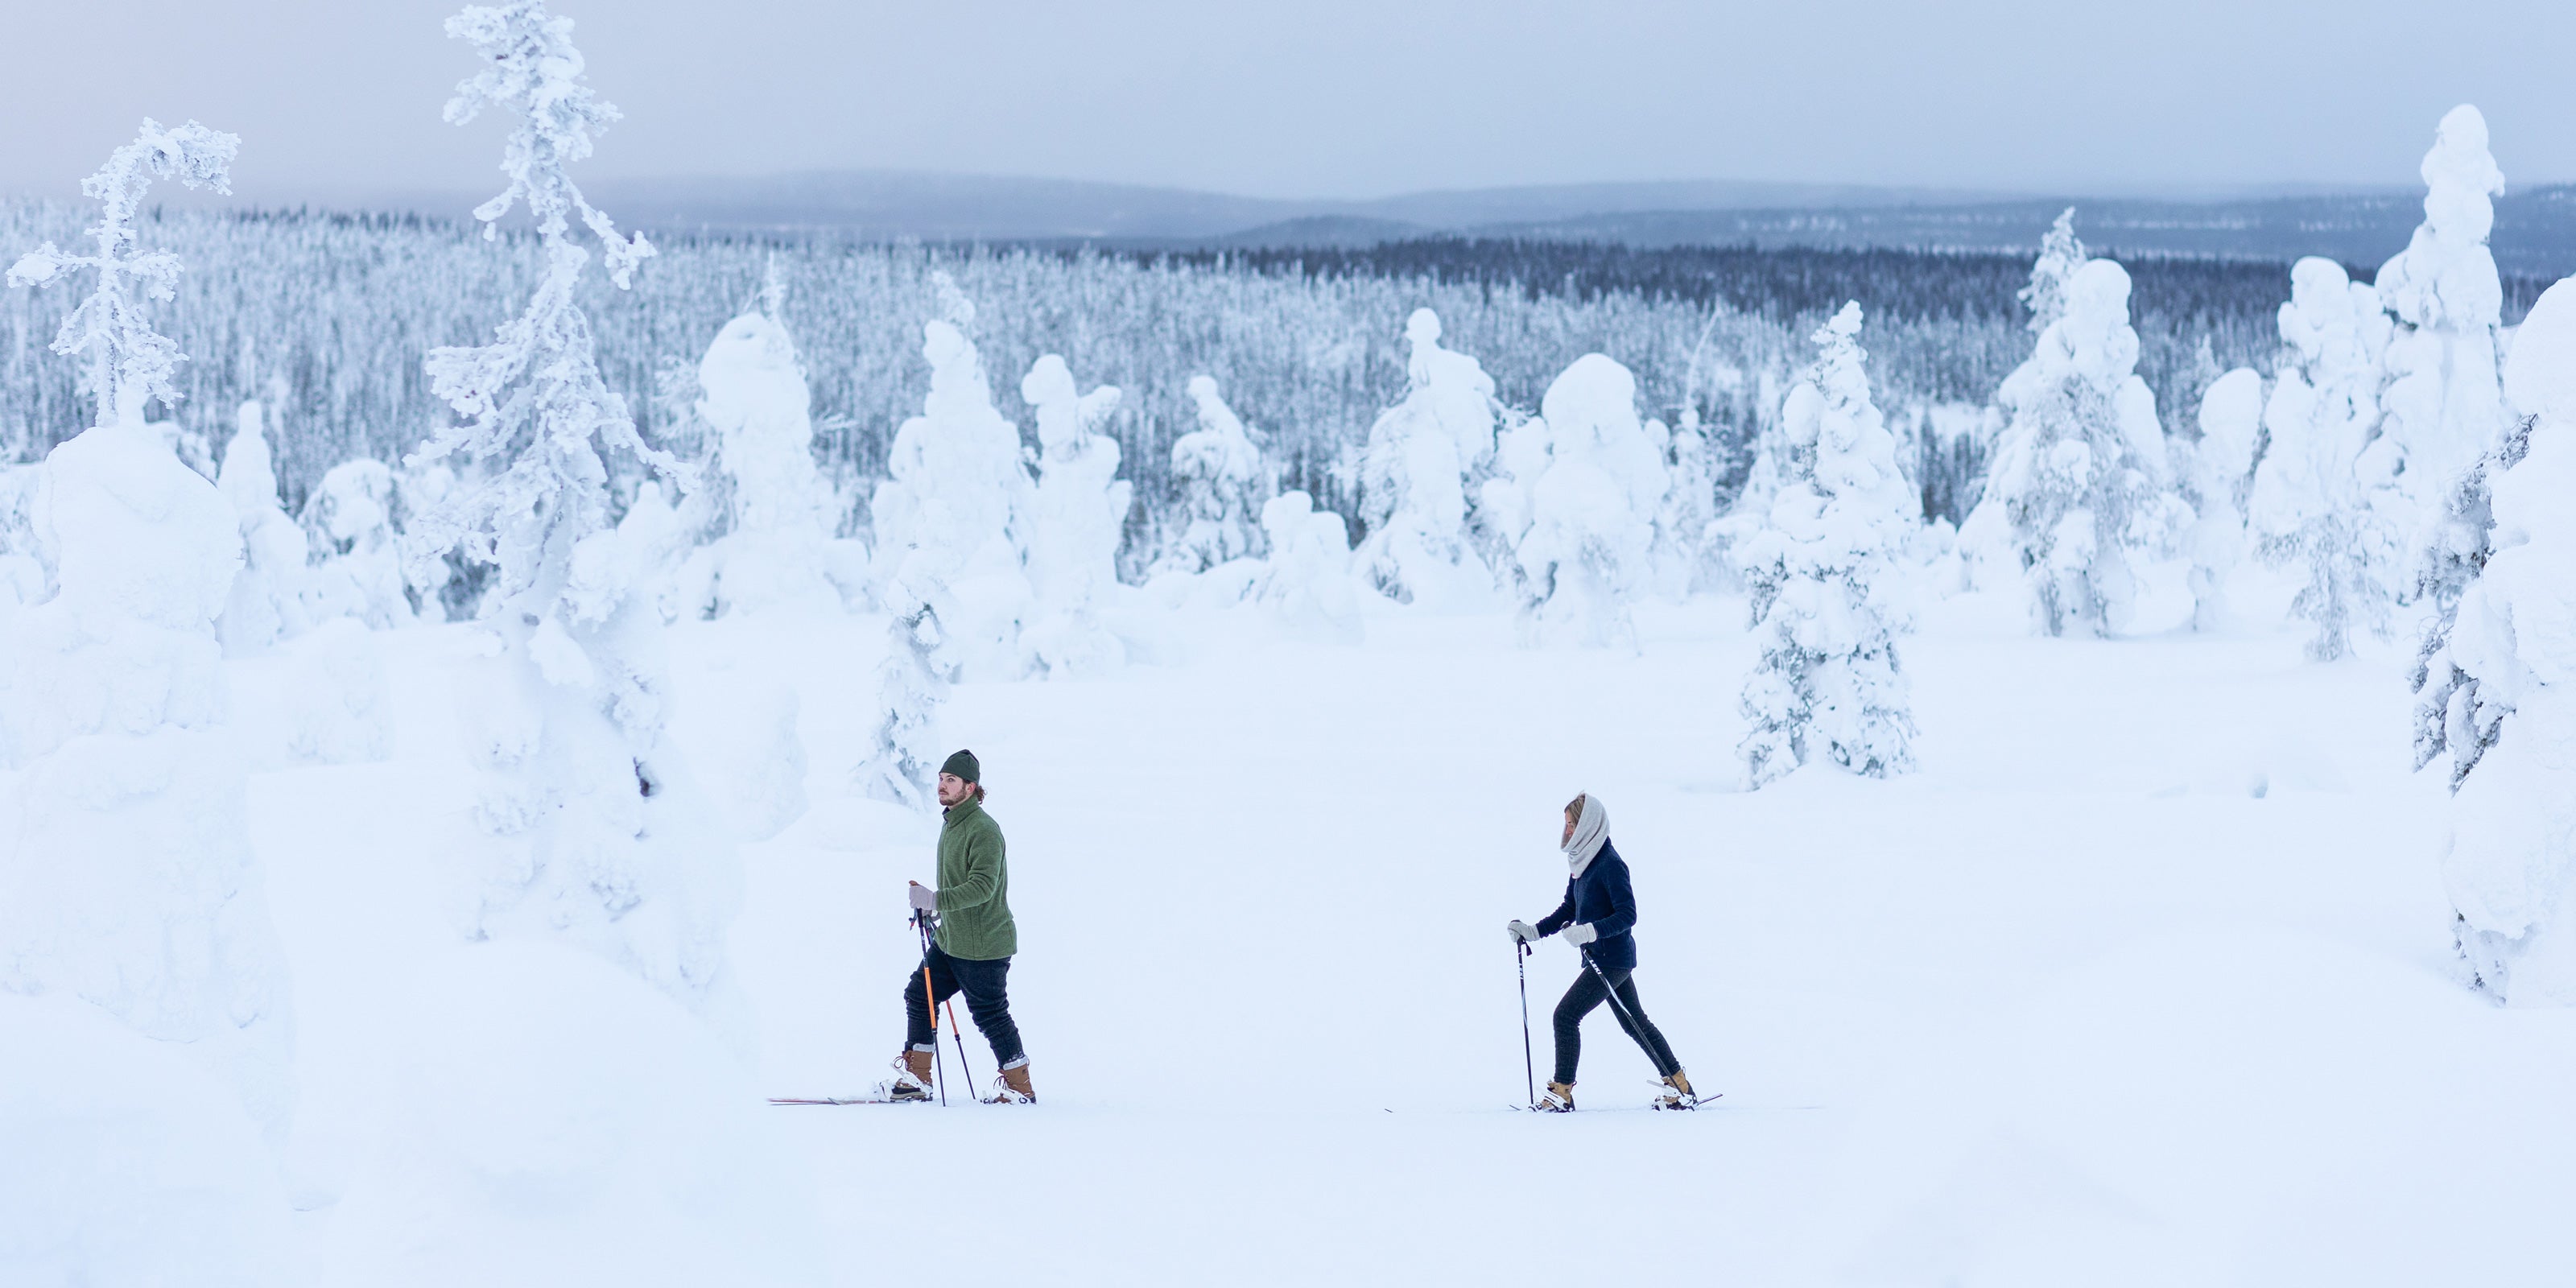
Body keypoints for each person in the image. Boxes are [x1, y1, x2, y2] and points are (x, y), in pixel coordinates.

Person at [1507, 792, 1697, 1112]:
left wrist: (1590, 930)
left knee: (1565, 1016)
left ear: (1587, 826)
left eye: (1572, 825)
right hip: (1603, 959)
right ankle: (1680, 1086)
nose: (1567, 831)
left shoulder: (1610, 864)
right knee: (1634, 1022)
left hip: (1612, 959)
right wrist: (1533, 931)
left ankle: (1562, 1092)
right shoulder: (1583, 862)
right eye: (1566, 825)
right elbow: (1570, 907)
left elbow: (1628, 915)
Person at [880, 749, 1034, 1104]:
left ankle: (1020, 1087)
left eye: (951, 780)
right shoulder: (953, 823)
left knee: (990, 1015)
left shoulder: (983, 830)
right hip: (951, 941)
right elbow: (956, 884)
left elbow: (983, 887)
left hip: (983, 945)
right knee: (919, 995)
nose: (942, 786)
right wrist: (934, 910)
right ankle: (918, 1079)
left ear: (971, 787)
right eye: (941, 778)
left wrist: (936, 900)